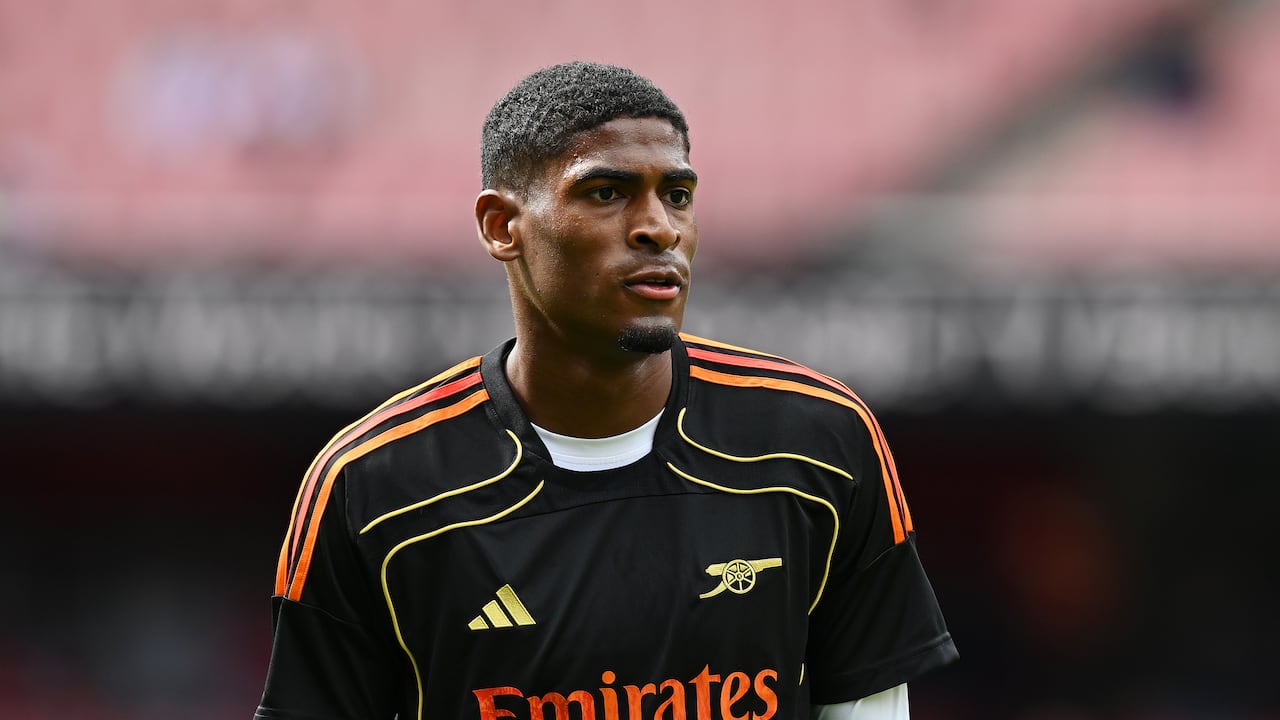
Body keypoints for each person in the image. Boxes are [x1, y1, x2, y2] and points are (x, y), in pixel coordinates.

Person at [256, 61, 957, 720]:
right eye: (607, 192)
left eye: (676, 195)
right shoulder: (373, 486)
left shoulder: (820, 442)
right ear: (503, 226)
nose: (660, 228)